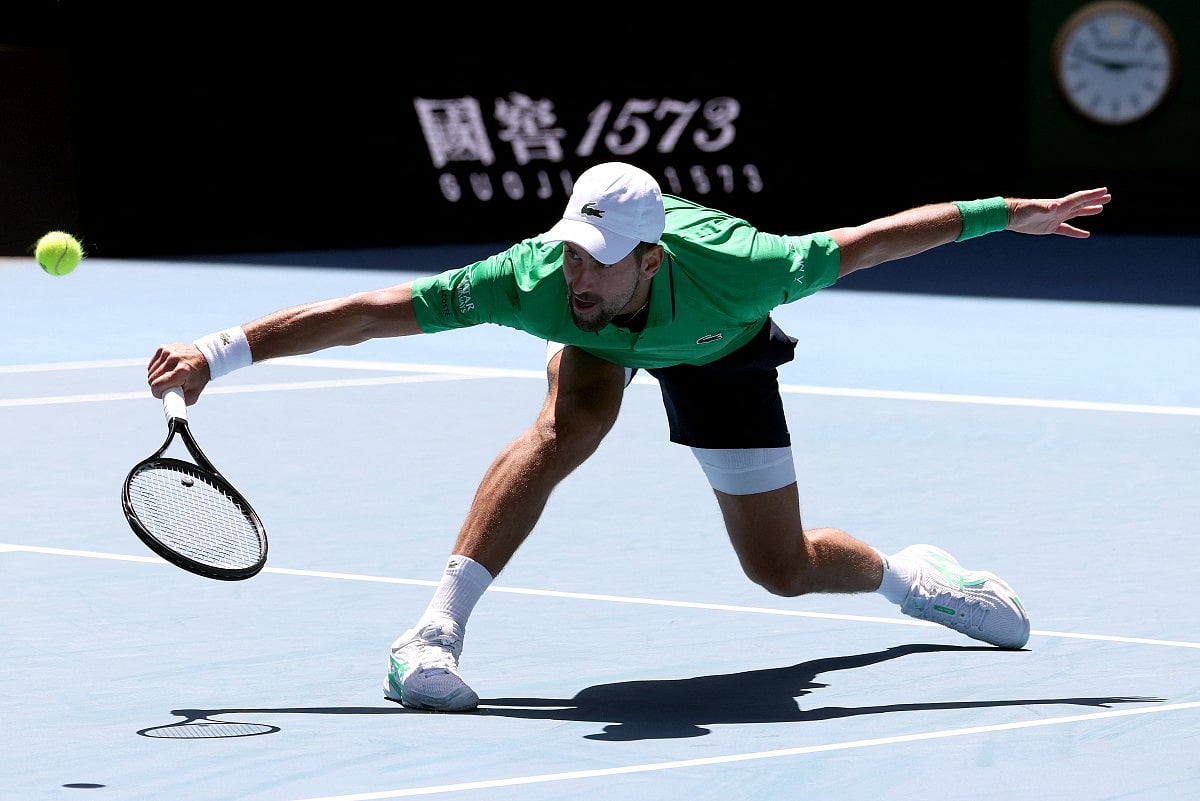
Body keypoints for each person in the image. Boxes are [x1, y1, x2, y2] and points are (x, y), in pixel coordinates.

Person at [147, 161, 1111, 713]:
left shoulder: (750, 268)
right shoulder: (538, 281)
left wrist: (1010, 216)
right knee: (569, 427)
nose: (580, 273)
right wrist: (218, 353)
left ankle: (913, 579)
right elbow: (368, 312)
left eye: (602, 263)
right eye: (574, 251)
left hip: (718, 347)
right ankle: (430, 636)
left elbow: (874, 238)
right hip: (602, 355)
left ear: (651, 257)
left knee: (778, 567)